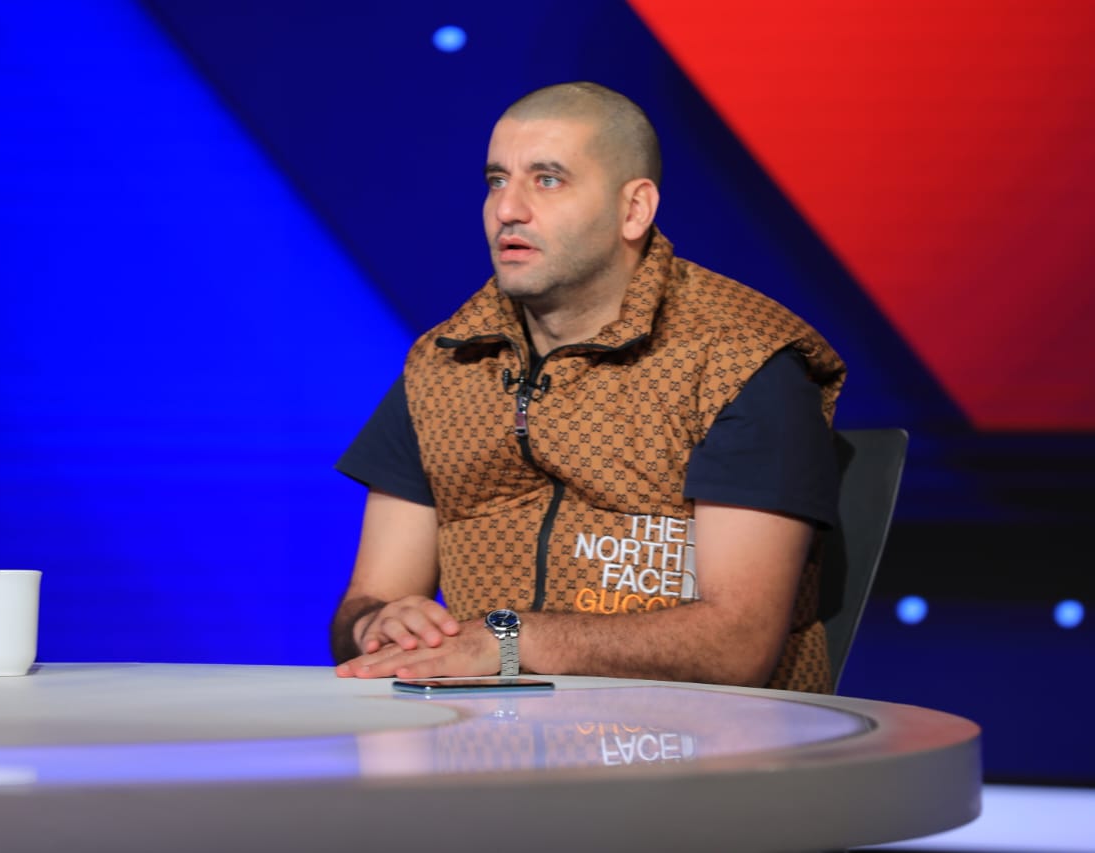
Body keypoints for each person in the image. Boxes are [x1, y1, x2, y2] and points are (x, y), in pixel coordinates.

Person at [330, 81, 845, 692]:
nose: (508, 209)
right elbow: (368, 600)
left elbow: (737, 646)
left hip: (700, 740)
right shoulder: (443, 365)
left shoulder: (737, 358)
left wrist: (509, 641)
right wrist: (379, 625)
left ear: (635, 210)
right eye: (497, 180)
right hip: (485, 736)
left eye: (548, 180)